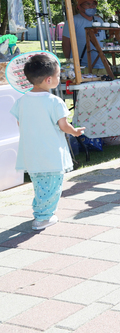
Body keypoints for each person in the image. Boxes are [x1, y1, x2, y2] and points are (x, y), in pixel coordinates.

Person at [10, 53, 84, 230]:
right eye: (58, 75)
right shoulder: (55, 102)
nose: (59, 78)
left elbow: (20, 123)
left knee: (40, 185)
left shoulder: (22, 101)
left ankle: (41, 213)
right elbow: (64, 125)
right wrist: (75, 132)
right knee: (52, 187)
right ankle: (43, 217)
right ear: (49, 79)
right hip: (50, 152)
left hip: (31, 152)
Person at [62, 0, 105, 71]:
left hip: (101, 65)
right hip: (81, 66)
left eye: (93, 4)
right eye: (87, 4)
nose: (91, 6)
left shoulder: (99, 20)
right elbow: (66, 44)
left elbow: (103, 41)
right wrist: (70, 62)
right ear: (79, 7)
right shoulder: (72, 20)